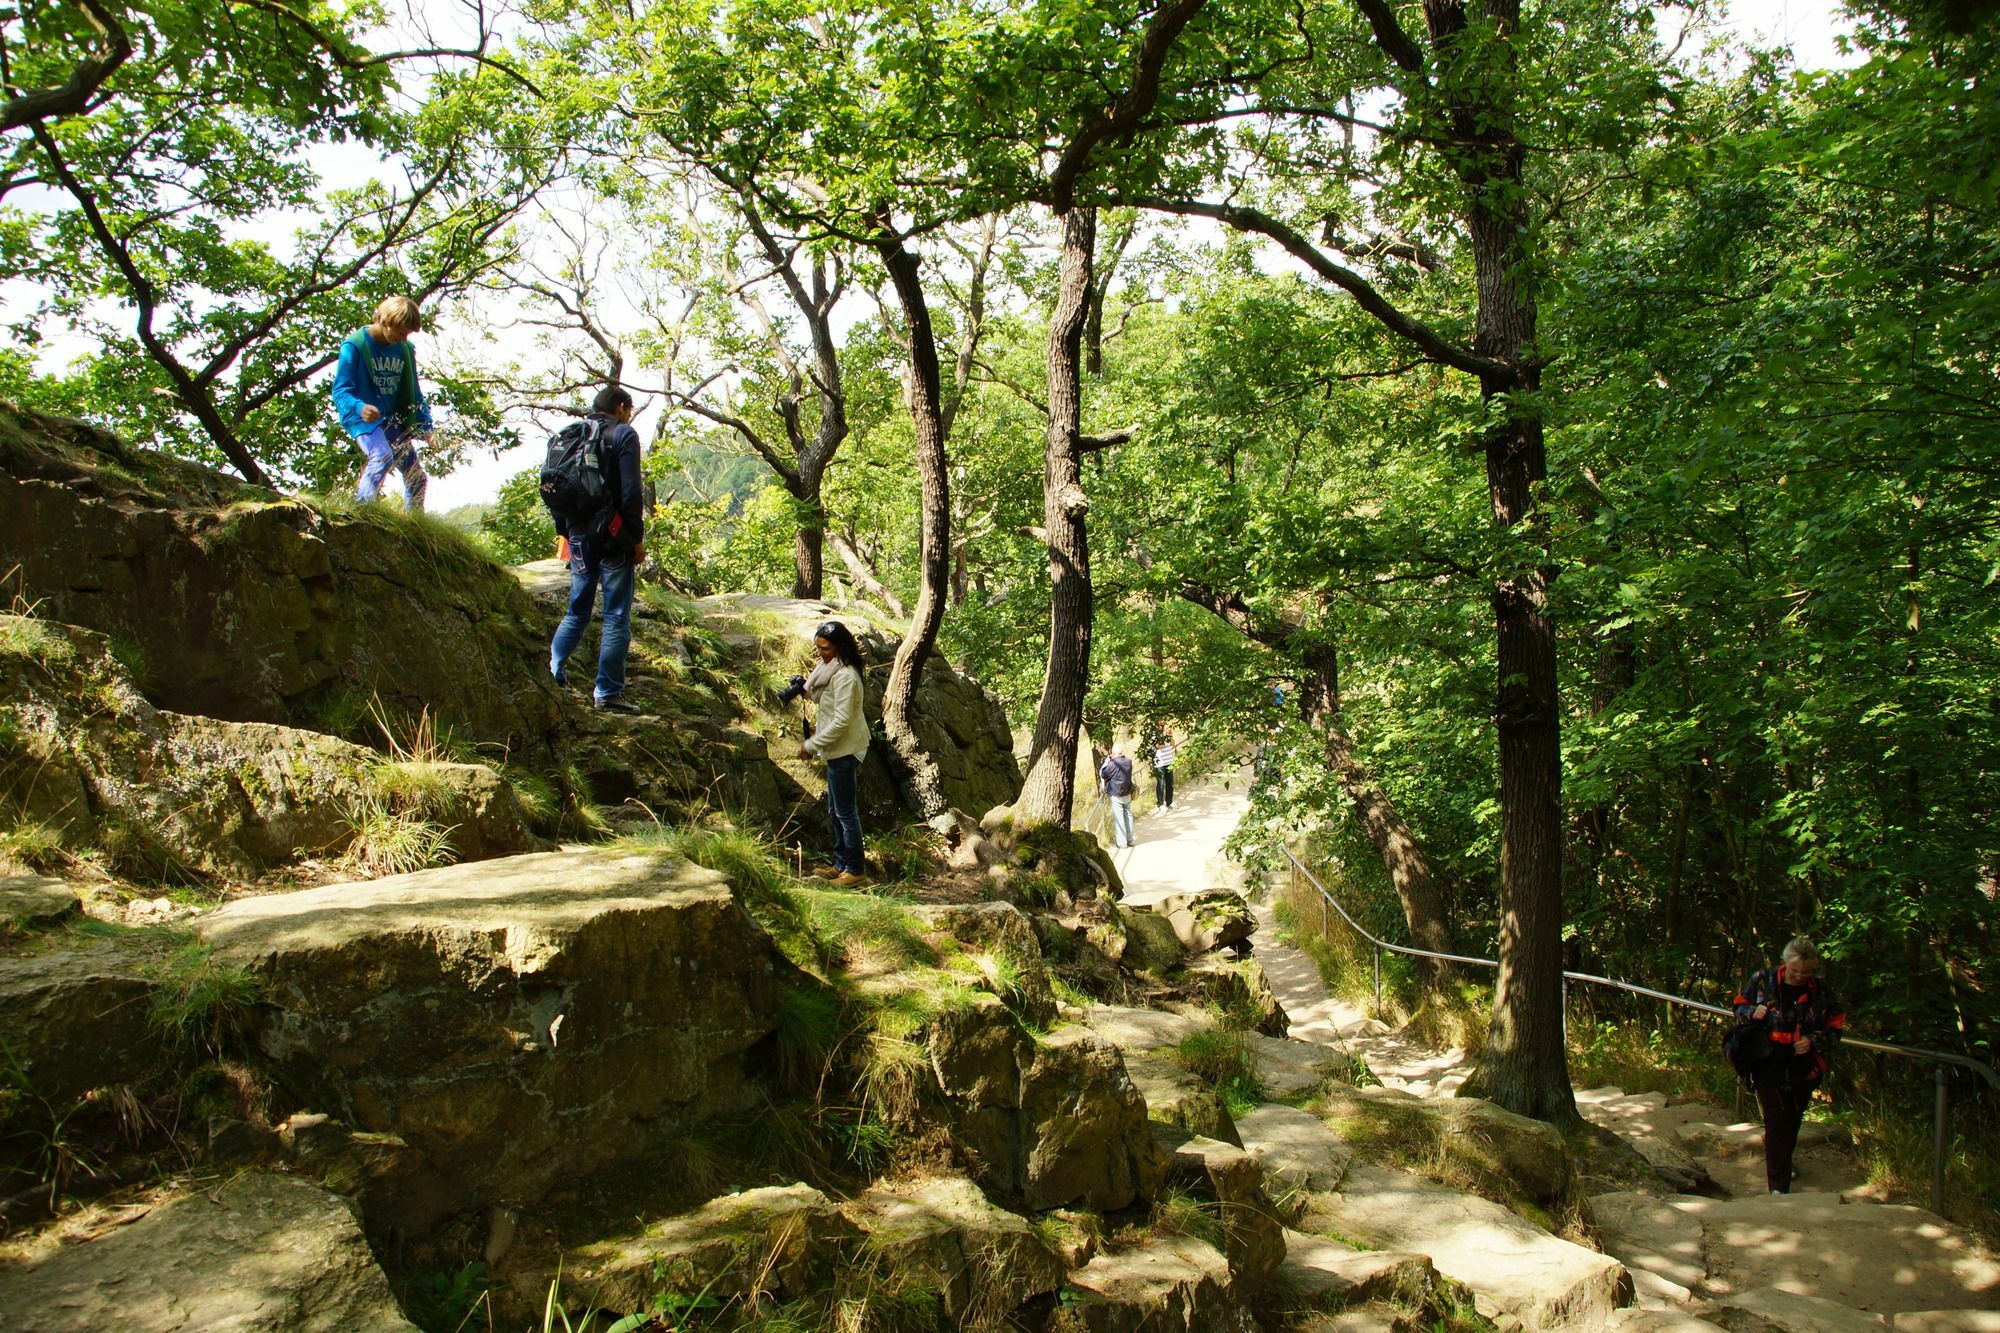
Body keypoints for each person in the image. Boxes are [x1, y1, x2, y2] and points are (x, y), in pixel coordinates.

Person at [549, 386, 647, 713]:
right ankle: (607, 693)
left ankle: (553, 673)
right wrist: (635, 538)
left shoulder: (569, 435)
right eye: (629, 410)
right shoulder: (623, 435)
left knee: (577, 609)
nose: (629, 416)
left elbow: (555, 488)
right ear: (620, 407)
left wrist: (566, 532)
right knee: (616, 615)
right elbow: (632, 492)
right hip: (612, 535)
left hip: (576, 534)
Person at [1733, 937, 1845, 1194]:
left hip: (1803, 1063)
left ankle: (1783, 1160)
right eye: (1795, 971)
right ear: (1785, 963)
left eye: (1805, 973)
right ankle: (1778, 1187)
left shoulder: (1821, 990)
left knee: (1793, 1118)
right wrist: (1753, 1012)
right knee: (1776, 1121)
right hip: (1767, 1058)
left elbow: (1836, 1025)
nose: (1799, 977)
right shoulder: (1764, 979)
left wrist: (1813, 1040)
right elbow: (1739, 1006)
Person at [332, 296, 433, 511]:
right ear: (385, 322)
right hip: (361, 418)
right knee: (381, 455)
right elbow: (340, 391)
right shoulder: (355, 346)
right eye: (400, 332)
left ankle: (414, 529)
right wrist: (360, 407)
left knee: (417, 478)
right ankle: (363, 512)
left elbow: (414, 391)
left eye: (407, 334)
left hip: (390, 419)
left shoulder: (404, 349)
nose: (403, 338)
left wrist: (426, 427)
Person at [803, 620, 870, 887]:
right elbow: (823, 699)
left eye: (826, 648)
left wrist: (810, 745)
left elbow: (841, 721)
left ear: (840, 646)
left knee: (845, 812)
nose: (821, 652)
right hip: (836, 749)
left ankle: (855, 869)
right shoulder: (831, 669)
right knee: (835, 810)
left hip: (846, 749)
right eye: (818, 647)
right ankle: (841, 864)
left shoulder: (846, 676)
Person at [1097, 742, 1137, 849]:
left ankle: (1122, 842)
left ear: (1113, 753)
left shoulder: (1112, 764)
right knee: (1128, 816)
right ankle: (1130, 839)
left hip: (1116, 794)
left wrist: (1106, 762)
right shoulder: (1128, 761)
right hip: (1127, 793)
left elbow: (1103, 774)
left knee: (1120, 818)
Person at [1152, 734, 1177, 809]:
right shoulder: (1155, 735)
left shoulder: (1169, 736)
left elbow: (1173, 745)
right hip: (1160, 764)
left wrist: (1170, 736)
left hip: (1169, 762)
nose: (1163, 727)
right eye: (1161, 725)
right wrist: (1164, 736)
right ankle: (1160, 803)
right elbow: (1159, 746)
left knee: (1170, 783)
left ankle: (1169, 802)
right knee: (1161, 784)